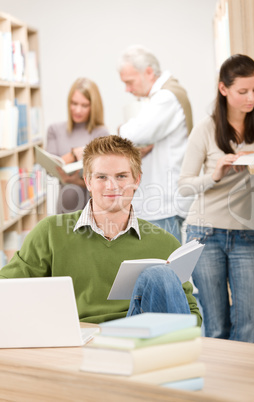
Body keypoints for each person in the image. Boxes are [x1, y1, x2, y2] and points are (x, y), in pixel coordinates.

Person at [0, 135, 202, 325]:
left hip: (141, 340)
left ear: (137, 180)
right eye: (102, 177)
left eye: (121, 176)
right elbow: (6, 288)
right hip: (78, 340)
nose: (112, 186)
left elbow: (191, 315)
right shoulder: (50, 233)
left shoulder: (164, 243)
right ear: (87, 181)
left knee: (160, 276)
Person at [178, 54, 254, 342]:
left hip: (244, 233)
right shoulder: (205, 129)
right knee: (217, 329)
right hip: (204, 232)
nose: (250, 97)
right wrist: (215, 174)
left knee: (249, 326)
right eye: (243, 91)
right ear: (223, 89)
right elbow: (184, 187)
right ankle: (221, 386)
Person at [118, 45, 193, 243]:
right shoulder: (160, 96)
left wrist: (121, 129)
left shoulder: (166, 97)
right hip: (160, 203)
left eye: (129, 82)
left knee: (165, 267)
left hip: (164, 203)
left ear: (148, 72)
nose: (127, 89)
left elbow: (133, 134)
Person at [46, 77, 109, 214]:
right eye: (74, 103)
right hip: (64, 210)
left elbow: (105, 180)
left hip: (93, 212)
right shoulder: (55, 130)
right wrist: (73, 154)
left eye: (84, 105)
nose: (78, 110)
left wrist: (79, 181)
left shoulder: (101, 133)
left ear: (93, 106)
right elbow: (50, 169)